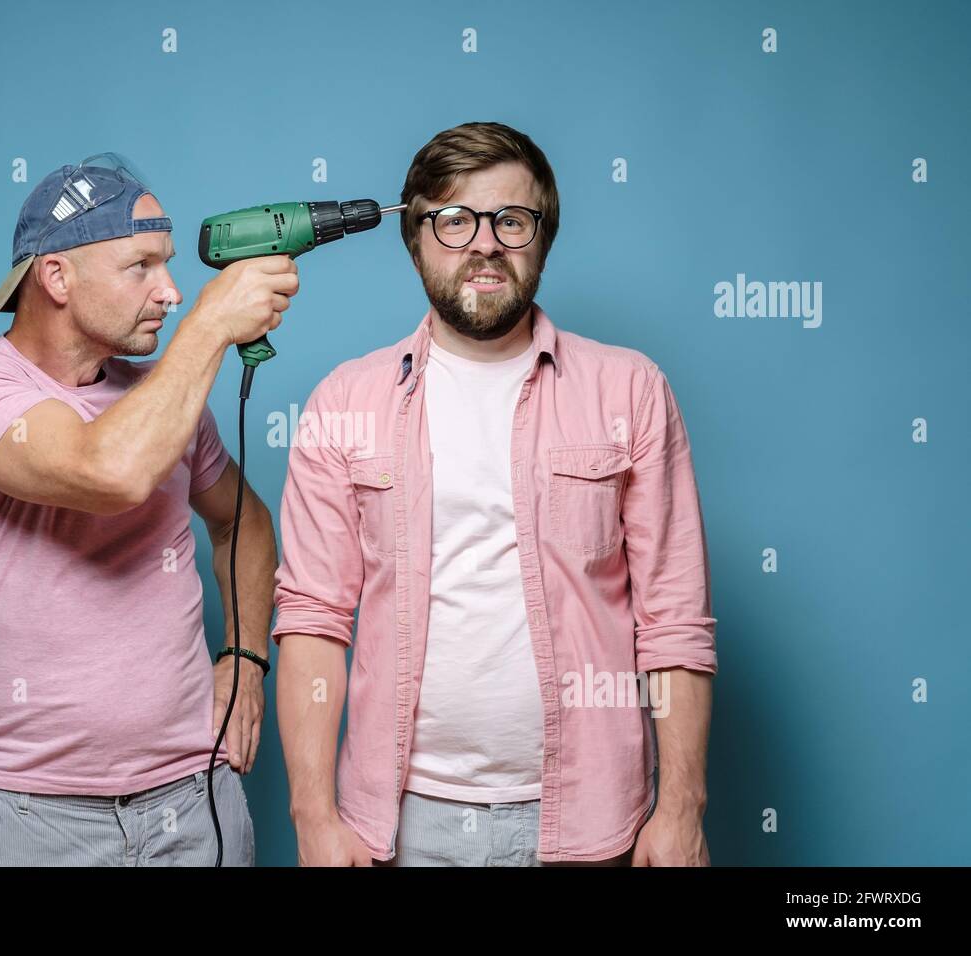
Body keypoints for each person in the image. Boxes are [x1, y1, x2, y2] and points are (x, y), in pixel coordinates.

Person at [273, 123, 717, 867]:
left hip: (591, 823)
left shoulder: (630, 389)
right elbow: (314, 619)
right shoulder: (343, 402)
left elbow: (672, 617)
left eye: (511, 220)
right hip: (399, 827)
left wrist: (681, 808)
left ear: (543, 238)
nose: (484, 243)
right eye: (454, 220)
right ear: (414, 239)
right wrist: (313, 817)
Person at [0, 153, 297, 865]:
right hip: (31, 818)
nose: (173, 292)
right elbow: (107, 470)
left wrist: (244, 659)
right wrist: (211, 326)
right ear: (56, 275)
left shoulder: (167, 402)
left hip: (195, 801)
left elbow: (247, 523)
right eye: (140, 266)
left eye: (170, 265)